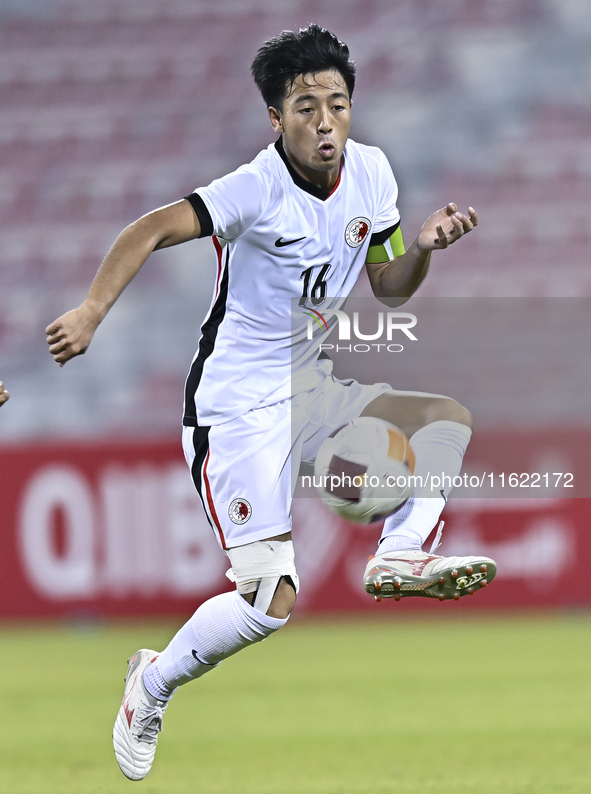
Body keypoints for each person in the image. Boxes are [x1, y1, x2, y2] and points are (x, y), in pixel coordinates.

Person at [46, 25, 496, 781]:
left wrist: (420, 247)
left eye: (338, 104)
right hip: (234, 404)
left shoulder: (373, 173)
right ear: (275, 117)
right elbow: (151, 227)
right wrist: (92, 310)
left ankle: (397, 556)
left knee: (441, 421)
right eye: (306, 106)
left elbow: (387, 287)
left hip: (306, 384)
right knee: (267, 601)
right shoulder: (254, 187)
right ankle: (150, 683)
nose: (325, 122)